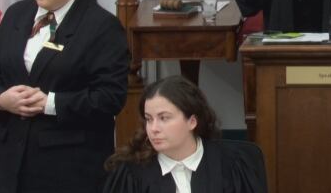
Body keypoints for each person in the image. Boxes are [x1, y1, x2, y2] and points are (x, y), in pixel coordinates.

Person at [0, 0, 130, 193]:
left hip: (68, 172)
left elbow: (110, 97)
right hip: (9, 168)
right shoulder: (16, 14)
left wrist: (49, 103)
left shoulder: (102, 27)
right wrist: (2, 99)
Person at [103, 75, 267, 193]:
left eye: (164, 118)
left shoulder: (235, 163)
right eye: (149, 119)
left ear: (192, 121)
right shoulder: (130, 173)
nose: (153, 128)